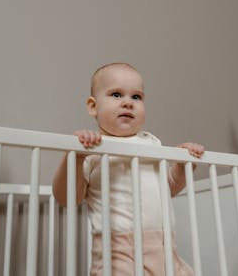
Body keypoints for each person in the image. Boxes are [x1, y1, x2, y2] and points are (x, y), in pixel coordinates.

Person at [52, 63, 205, 275]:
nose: (127, 103)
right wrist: (76, 157)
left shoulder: (152, 143)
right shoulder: (91, 147)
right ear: (93, 106)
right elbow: (67, 198)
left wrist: (182, 163)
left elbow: (167, 189)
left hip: (165, 246)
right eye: (116, 94)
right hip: (118, 250)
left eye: (136, 97)